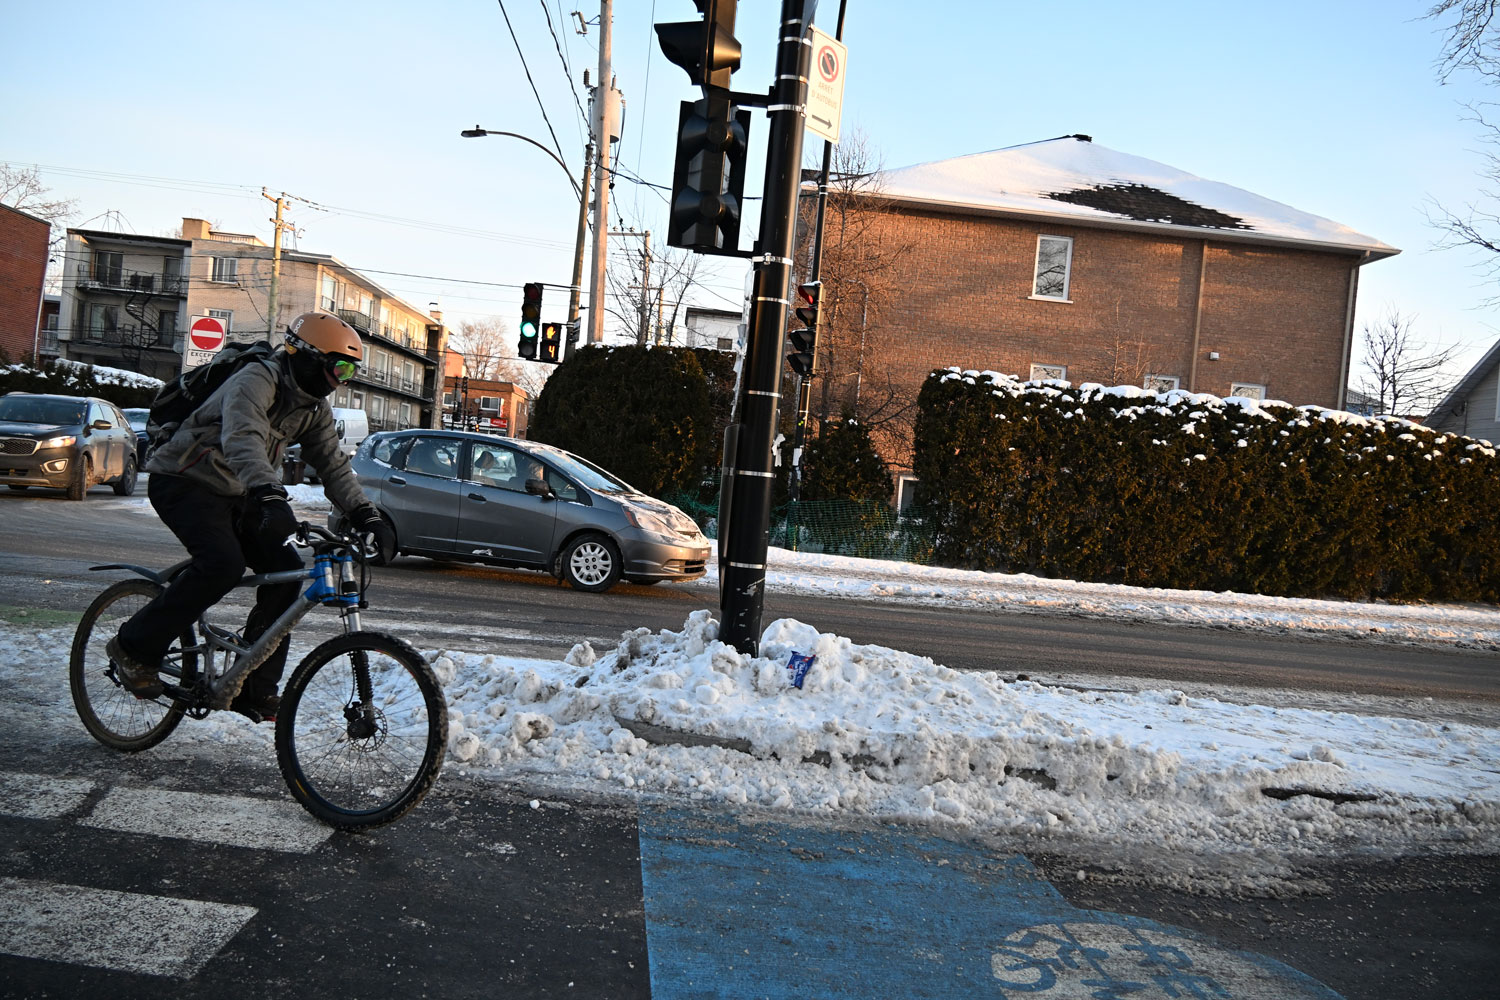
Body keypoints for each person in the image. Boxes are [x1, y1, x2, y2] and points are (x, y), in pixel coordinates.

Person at [106, 312, 395, 723]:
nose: (340, 379)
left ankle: (252, 688)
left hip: (239, 490)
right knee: (222, 564)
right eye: (338, 367)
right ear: (307, 356)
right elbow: (243, 438)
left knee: (287, 573)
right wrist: (269, 494)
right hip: (185, 479)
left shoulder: (312, 408)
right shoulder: (257, 379)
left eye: (349, 371)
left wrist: (367, 514)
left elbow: (332, 466)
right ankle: (134, 647)